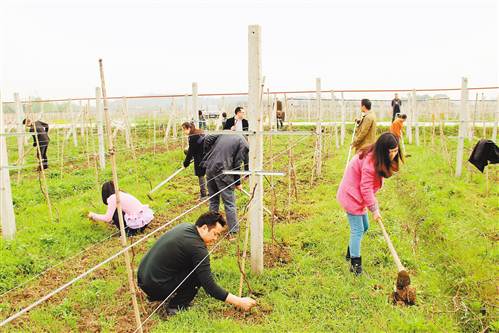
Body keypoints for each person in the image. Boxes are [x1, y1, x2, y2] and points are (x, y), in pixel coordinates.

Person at [137, 211, 257, 315]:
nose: (215, 239)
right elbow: (210, 286)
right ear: (204, 228)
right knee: (198, 275)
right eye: (215, 234)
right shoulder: (197, 248)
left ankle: (165, 292)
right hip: (155, 286)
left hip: (144, 278)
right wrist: (239, 301)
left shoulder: (186, 227)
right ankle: (176, 306)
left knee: (196, 268)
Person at [337, 132, 403, 275]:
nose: (393, 154)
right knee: (358, 230)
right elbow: (366, 188)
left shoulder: (377, 156)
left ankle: (350, 251)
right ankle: (355, 266)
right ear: (383, 150)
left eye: (396, 150)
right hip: (351, 196)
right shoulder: (370, 163)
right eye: (391, 151)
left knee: (364, 227)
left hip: (358, 196)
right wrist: (374, 210)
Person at [201, 134, 249, 237]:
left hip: (210, 167)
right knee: (229, 203)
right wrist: (238, 183)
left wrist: (207, 152)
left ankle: (211, 227)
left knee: (213, 200)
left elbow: (207, 139)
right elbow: (237, 164)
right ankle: (233, 231)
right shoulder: (244, 143)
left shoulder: (226, 134)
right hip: (223, 172)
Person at [88, 181, 153, 236]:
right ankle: (129, 229)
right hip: (144, 222)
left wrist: (92, 215)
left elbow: (107, 218)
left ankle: (127, 232)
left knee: (115, 213)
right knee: (118, 210)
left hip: (137, 225)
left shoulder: (113, 198)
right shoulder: (122, 193)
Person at [182, 122, 207, 199]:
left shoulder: (193, 136)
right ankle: (210, 192)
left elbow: (191, 152)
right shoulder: (198, 131)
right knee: (208, 174)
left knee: (200, 175)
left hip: (200, 157)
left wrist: (185, 164)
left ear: (188, 128)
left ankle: (203, 195)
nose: (183, 132)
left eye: (184, 130)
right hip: (206, 154)